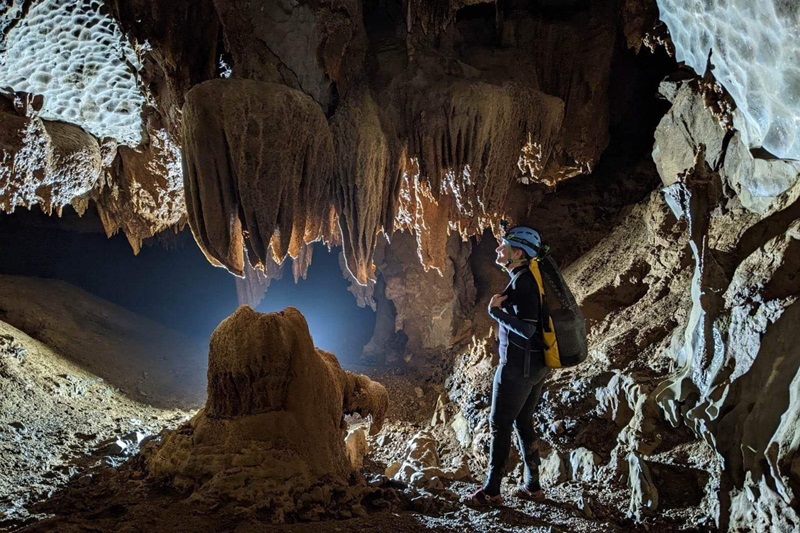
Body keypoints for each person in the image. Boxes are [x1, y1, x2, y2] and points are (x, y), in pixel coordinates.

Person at [466, 225, 549, 507]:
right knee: (523, 422)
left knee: (499, 424)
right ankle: (532, 486)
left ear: (517, 252)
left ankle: (491, 491)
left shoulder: (524, 281)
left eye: (504, 246)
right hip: (535, 366)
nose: (498, 249)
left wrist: (494, 312)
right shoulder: (527, 278)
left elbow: (526, 329)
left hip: (518, 368)